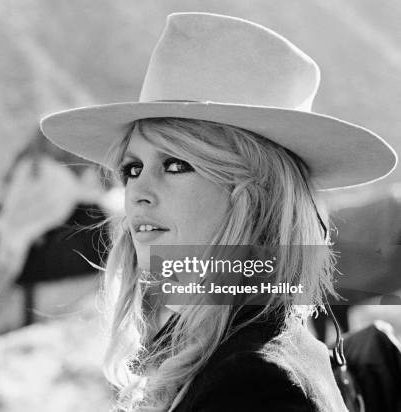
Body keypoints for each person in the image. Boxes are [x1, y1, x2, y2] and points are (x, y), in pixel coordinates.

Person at [39, 12, 397, 412]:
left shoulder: (252, 381)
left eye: (177, 165)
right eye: (132, 168)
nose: (137, 189)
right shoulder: (257, 350)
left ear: (255, 196)